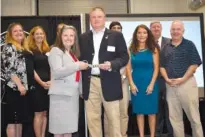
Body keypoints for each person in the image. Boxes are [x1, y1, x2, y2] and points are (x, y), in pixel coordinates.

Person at [79, 7, 129, 137]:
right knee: (93, 120)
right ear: (90, 19)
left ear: (104, 19)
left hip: (110, 81)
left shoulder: (116, 36)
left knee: (113, 119)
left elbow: (124, 57)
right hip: (90, 82)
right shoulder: (83, 37)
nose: (96, 20)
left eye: (99, 17)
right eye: (93, 17)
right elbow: (80, 58)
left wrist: (112, 64)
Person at [160, 20, 204, 137]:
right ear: (170, 31)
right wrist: (167, 79)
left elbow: (194, 64)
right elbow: (161, 66)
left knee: (194, 117)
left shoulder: (189, 45)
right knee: (174, 119)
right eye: (173, 29)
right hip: (170, 85)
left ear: (183, 31)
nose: (175, 32)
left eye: (178, 29)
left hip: (187, 84)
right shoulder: (165, 47)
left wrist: (183, 79)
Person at [48, 25, 88, 137]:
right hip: (61, 96)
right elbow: (57, 71)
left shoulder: (72, 54)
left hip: (72, 96)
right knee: (59, 131)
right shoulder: (55, 50)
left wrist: (81, 91)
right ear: (60, 37)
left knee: (69, 129)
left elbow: (76, 75)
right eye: (65, 35)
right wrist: (77, 65)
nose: (69, 38)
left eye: (72, 35)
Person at [1, 23, 35, 137]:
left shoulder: (22, 48)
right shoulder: (9, 47)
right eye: (15, 31)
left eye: (20, 30)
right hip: (14, 90)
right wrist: (20, 85)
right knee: (12, 122)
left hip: (23, 91)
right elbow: (9, 70)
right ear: (10, 34)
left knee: (19, 121)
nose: (19, 33)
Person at [126, 24, 159, 137]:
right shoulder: (131, 50)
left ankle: (152, 135)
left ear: (148, 34)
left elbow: (156, 68)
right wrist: (131, 84)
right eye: (139, 33)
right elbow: (128, 68)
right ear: (136, 35)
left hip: (151, 83)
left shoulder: (153, 49)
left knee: (151, 112)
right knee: (139, 112)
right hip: (136, 83)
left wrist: (151, 85)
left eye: (144, 32)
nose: (142, 35)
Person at [103, 21, 129, 137]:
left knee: (123, 111)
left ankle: (122, 134)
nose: (117, 29)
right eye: (114, 28)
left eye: (119, 28)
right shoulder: (104, 46)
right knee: (109, 113)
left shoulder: (125, 46)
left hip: (123, 82)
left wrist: (123, 77)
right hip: (109, 82)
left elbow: (128, 64)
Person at [150, 21, 173, 137]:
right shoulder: (146, 43)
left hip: (169, 80)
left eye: (158, 26)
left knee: (170, 107)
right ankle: (157, 133)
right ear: (150, 29)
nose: (156, 28)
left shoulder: (170, 42)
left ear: (161, 28)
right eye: (153, 27)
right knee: (156, 107)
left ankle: (171, 133)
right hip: (154, 81)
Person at [27, 26, 51, 137]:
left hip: (48, 85)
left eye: (41, 34)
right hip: (37, 86)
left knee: (45, 113)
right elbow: (31, 70)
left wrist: (50, 81)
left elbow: (51, 67)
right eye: (37, 34)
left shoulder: (47, 50)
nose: (39, 36)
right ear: (32, 36)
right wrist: (41, 83)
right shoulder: (30, 50)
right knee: (38, 113)